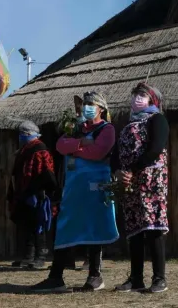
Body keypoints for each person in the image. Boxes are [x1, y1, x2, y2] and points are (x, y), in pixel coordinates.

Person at [31, 91, 119, 293]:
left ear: (101, 109)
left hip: (96, 187)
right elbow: (61, 145)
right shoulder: (76, 128)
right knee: (65, 226)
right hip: (74, 188)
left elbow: (99, 152)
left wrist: (76, 149)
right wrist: (81, 143)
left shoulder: (107, 129)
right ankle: (56, 277)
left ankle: (95, 276)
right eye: (85, 103)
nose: (86, 107)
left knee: (94, 228)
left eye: (91, 104)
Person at [114, 82, 170, 293]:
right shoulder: (126, 125)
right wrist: (119, 171)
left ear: (152, 100)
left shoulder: (158, 120)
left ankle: (159, 278)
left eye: (142, 95)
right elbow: (115, 155)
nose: (137, 98)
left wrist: (133, 169)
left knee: (153, 226)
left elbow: (155, 148)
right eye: (135, 94)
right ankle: (136, 278)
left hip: (151, 182)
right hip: (130, 184)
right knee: (135, 230)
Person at [7, 120, 58, 269]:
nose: (20, 137)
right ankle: (28, 256)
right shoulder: (24, 150)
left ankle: (40, 257)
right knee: (26, 224)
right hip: (24, 193)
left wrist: (40, 191)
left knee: (38, 225)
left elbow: (47, 174)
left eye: (22, 135)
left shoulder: (40, 150)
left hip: (38, 194)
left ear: (28, 135)